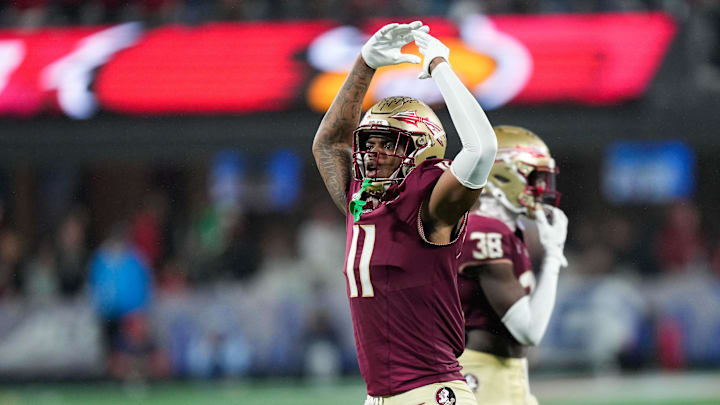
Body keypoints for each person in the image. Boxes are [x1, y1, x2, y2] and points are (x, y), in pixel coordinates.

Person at [312, 20, 498, 404]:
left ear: (423, 149)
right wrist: (364, 63)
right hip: (379, 397)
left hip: (432, 393)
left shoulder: (430, 197)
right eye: (369, 143)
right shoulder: (361, 200)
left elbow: (481, 149)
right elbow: (328, 144)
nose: (373, 154)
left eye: (389, 144)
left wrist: (440, 68)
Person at [456, 126, 568, 405]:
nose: (540, 188)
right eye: (532, 176)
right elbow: (528, 331)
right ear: (503, 174)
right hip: (479, 373)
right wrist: (554, 256)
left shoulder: (509, 228)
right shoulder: (484, 230)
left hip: (507, 370)